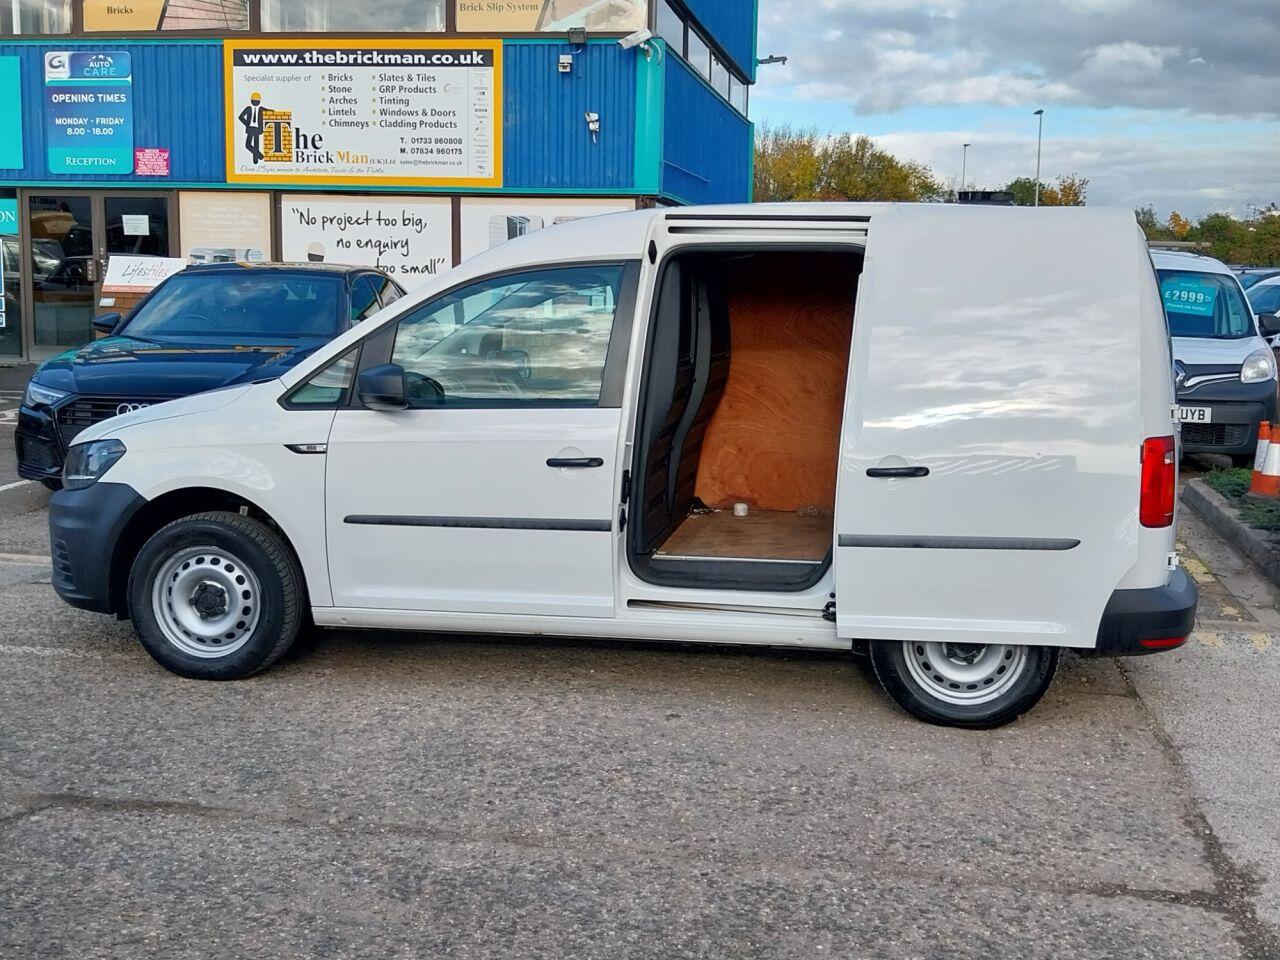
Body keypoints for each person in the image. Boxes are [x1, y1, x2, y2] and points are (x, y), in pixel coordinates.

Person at [238, 92, 265, 165]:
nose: (256, 102)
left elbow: (269, 111)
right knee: (248, 145)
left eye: (257, 101)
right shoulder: (248, 108)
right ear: (251, 101)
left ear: (259, 102)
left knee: (256, 145)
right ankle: (260, 156)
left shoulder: (261, 109)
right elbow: (240, 117)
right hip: (250, 128)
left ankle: (255, 160)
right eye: (254, 100)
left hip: (258, 129)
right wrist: (247, 124)